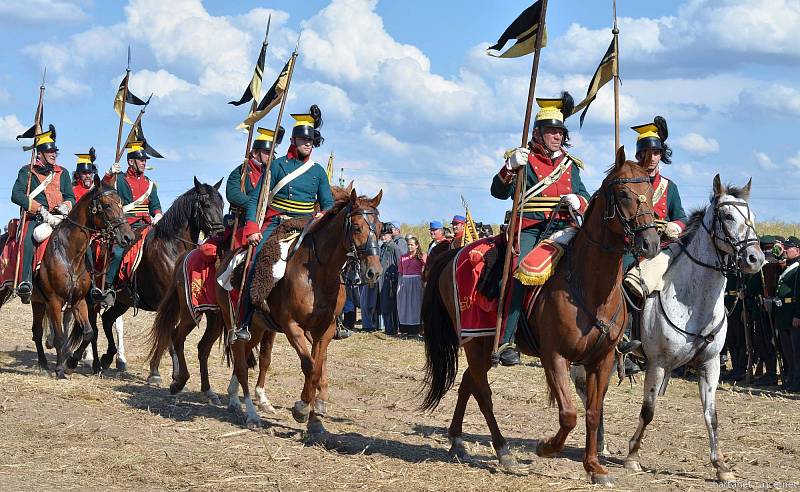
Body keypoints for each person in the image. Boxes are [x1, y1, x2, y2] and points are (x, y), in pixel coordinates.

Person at [490, 92, 590, 366]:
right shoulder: (523, 159)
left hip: (565, 228)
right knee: (521, 273)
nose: (557, 136)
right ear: (538, 132)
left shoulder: (570, 165)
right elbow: (498, 192)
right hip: (531, 228)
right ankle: (507, 340)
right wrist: (509, 168)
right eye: (551, 131)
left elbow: (587, 198)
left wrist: (578, 200)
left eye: (560, 132)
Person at [233, 106, 332, 342]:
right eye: (303, 139)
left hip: (307, 225)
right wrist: (252, 229)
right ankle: (244, 322)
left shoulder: (318, 171)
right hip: (278, 224)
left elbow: (327, 203)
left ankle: (332, 318)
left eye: (311, 140)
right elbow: (257, 198)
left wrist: (324, 214)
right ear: (293, 140)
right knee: (256, 262)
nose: (308, 144)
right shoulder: (277, 167)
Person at [618, 116, 688, 373]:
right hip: (632, 247)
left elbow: (681, 216)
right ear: (638, 155)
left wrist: (677, 226)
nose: (651, 158)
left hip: (663, 248)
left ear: (662, 155)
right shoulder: (629, 180)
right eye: (646, 152)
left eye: (656, 152)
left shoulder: (670, 187)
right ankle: (624, 341)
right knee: (621, 282)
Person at [11, 125, 76, 303]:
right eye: (50, 152)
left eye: (55, 151)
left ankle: (90, 283)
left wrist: (66, 205)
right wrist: (39, 209)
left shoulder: (62, 173)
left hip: (60, 218)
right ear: (39, 153)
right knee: (28, 240)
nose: (54, 154)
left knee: (82, 239)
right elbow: (16, 195)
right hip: (37, 218)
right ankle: (25, 282)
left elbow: (70, 196)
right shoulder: (27, 171)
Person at [101, 140, 163, 304]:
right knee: (118, 252)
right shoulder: (118, 179)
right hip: (126, 224)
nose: (144, 163)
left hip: (147, 225)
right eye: (141, 160)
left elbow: (155, 205)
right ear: (131, 161)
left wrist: (157, 214)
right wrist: (109, 174)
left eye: (145, 161)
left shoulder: (149, 184)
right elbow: (103, 191)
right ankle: (109, 286)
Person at [225, 126, 284, 249]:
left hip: (269, 221)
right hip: (244, 221)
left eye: (273, 153)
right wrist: (258, 205)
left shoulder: (274, 173)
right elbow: (233, 194)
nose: (271, 156)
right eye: (267, 152)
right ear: (255, 153)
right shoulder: (241, 171)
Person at [769, 236, 800, 390]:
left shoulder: (797, 268)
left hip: (792, 313)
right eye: (785, 247)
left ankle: (796, 381)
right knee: (787, 350)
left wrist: (797, 315)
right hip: (783, 314)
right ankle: (792, 379)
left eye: (789, 248)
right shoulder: (788, 266)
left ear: (798, 250)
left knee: (796, 352)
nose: (786, 250)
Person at [398, 236, 426, 335]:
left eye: (412, 245)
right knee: (405, 305)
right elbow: (401, 272)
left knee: (416, 305)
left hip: (416, 282)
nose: (409, 247)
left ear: (416, 246)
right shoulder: (403, 257)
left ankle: (417, 329)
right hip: (405, 282)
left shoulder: (422, 256)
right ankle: (406, 329)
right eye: (408, 245)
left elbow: (426, 269)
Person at [379, 222, 403, 335]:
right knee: (384, 305)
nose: (384, 237)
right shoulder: (383, 247)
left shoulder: (394, 247)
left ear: (390, 235)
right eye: (382, 234)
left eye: (386, 234)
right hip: (383, 280)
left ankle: (392, 329)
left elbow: (399, 264)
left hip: (391, 281)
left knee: (391, 305)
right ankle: (388, 329)